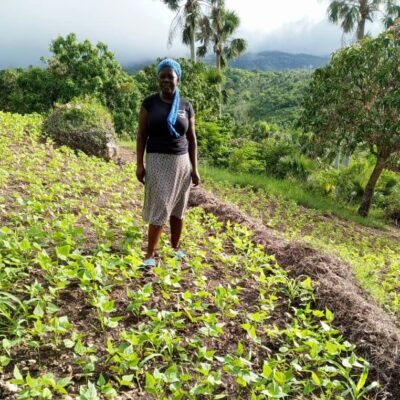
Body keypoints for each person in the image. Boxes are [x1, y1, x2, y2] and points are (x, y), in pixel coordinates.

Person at [136, 58, 200, 267]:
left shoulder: (186, 106)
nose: (166, 80)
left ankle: (175, 248)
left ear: (177, 80)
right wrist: (139, 164)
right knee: (161, 206)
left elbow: (192, 139)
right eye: (162, 76)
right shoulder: (150, 103)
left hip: (182, 163)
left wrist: (194, 169)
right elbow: (141, 135)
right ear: (158, 79)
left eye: (170, 77)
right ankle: (150, 255)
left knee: (178, 208)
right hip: (157, 161)